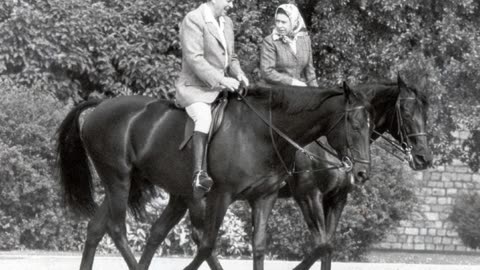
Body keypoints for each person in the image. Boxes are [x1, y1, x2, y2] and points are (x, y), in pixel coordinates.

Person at [175, 0, 249, 199]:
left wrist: (239, 74)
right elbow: (194, 59)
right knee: (203, 118)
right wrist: (222, 79)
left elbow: (231, 58)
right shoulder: (194, 20)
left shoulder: (227, 22)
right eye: (228, 0)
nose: (231, 5)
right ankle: (199, 174)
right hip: (195, 88)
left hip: (221, 88)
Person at [260, 4, 318, 87]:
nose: (279, 26)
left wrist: (317, 93)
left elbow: (310, 73)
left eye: (284, 22)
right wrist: (292, 82)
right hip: (276, 91)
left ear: (294, 22)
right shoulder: (270, 41)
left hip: (298, 92)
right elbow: (267, 72)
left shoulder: (305, 40)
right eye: (277, 21)